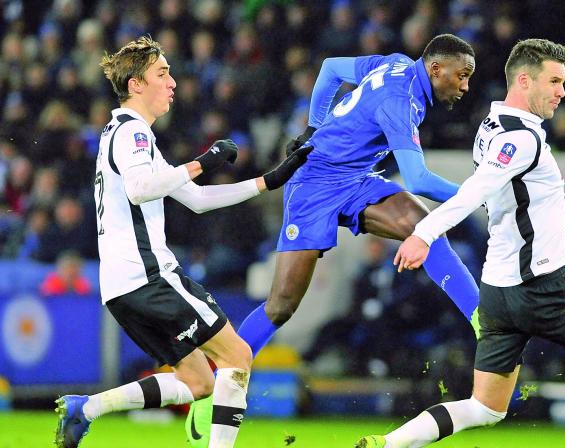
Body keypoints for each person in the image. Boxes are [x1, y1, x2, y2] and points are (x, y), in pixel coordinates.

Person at [357, 38, 565, 448]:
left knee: (486, 408)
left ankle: (388, 444)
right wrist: (422, 234)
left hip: (499, 295)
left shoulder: (491, 127)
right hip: (544, 288)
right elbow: (475, 193)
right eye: (554, 81)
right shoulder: (521, 139)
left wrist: (557, 237)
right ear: (524, 80)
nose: (562, 92)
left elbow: (511, 201)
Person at [187, 33, 481, 446]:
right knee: (282, 305)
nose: (465, 86)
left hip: (356, 178)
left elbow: (328, 69)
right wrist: (478, 194)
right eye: (461, 75)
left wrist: (314, 126)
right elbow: (416, 179)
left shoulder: (394, 63)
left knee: (426, 229)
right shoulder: (402, 102)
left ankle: (483, 321)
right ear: (436, 69)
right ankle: (211, 388)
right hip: (313, 185)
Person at [54, 36, 307, 448]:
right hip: (149, 276)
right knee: (238, 357)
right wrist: (202, 162)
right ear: (136, 85)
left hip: (120, 287)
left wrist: (268, 181)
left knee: (198, 381)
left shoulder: (123, 134)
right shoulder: (132, 132)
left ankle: (87, 409)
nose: (172, 82)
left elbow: (197, 198)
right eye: (162, 73)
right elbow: (140, 189)